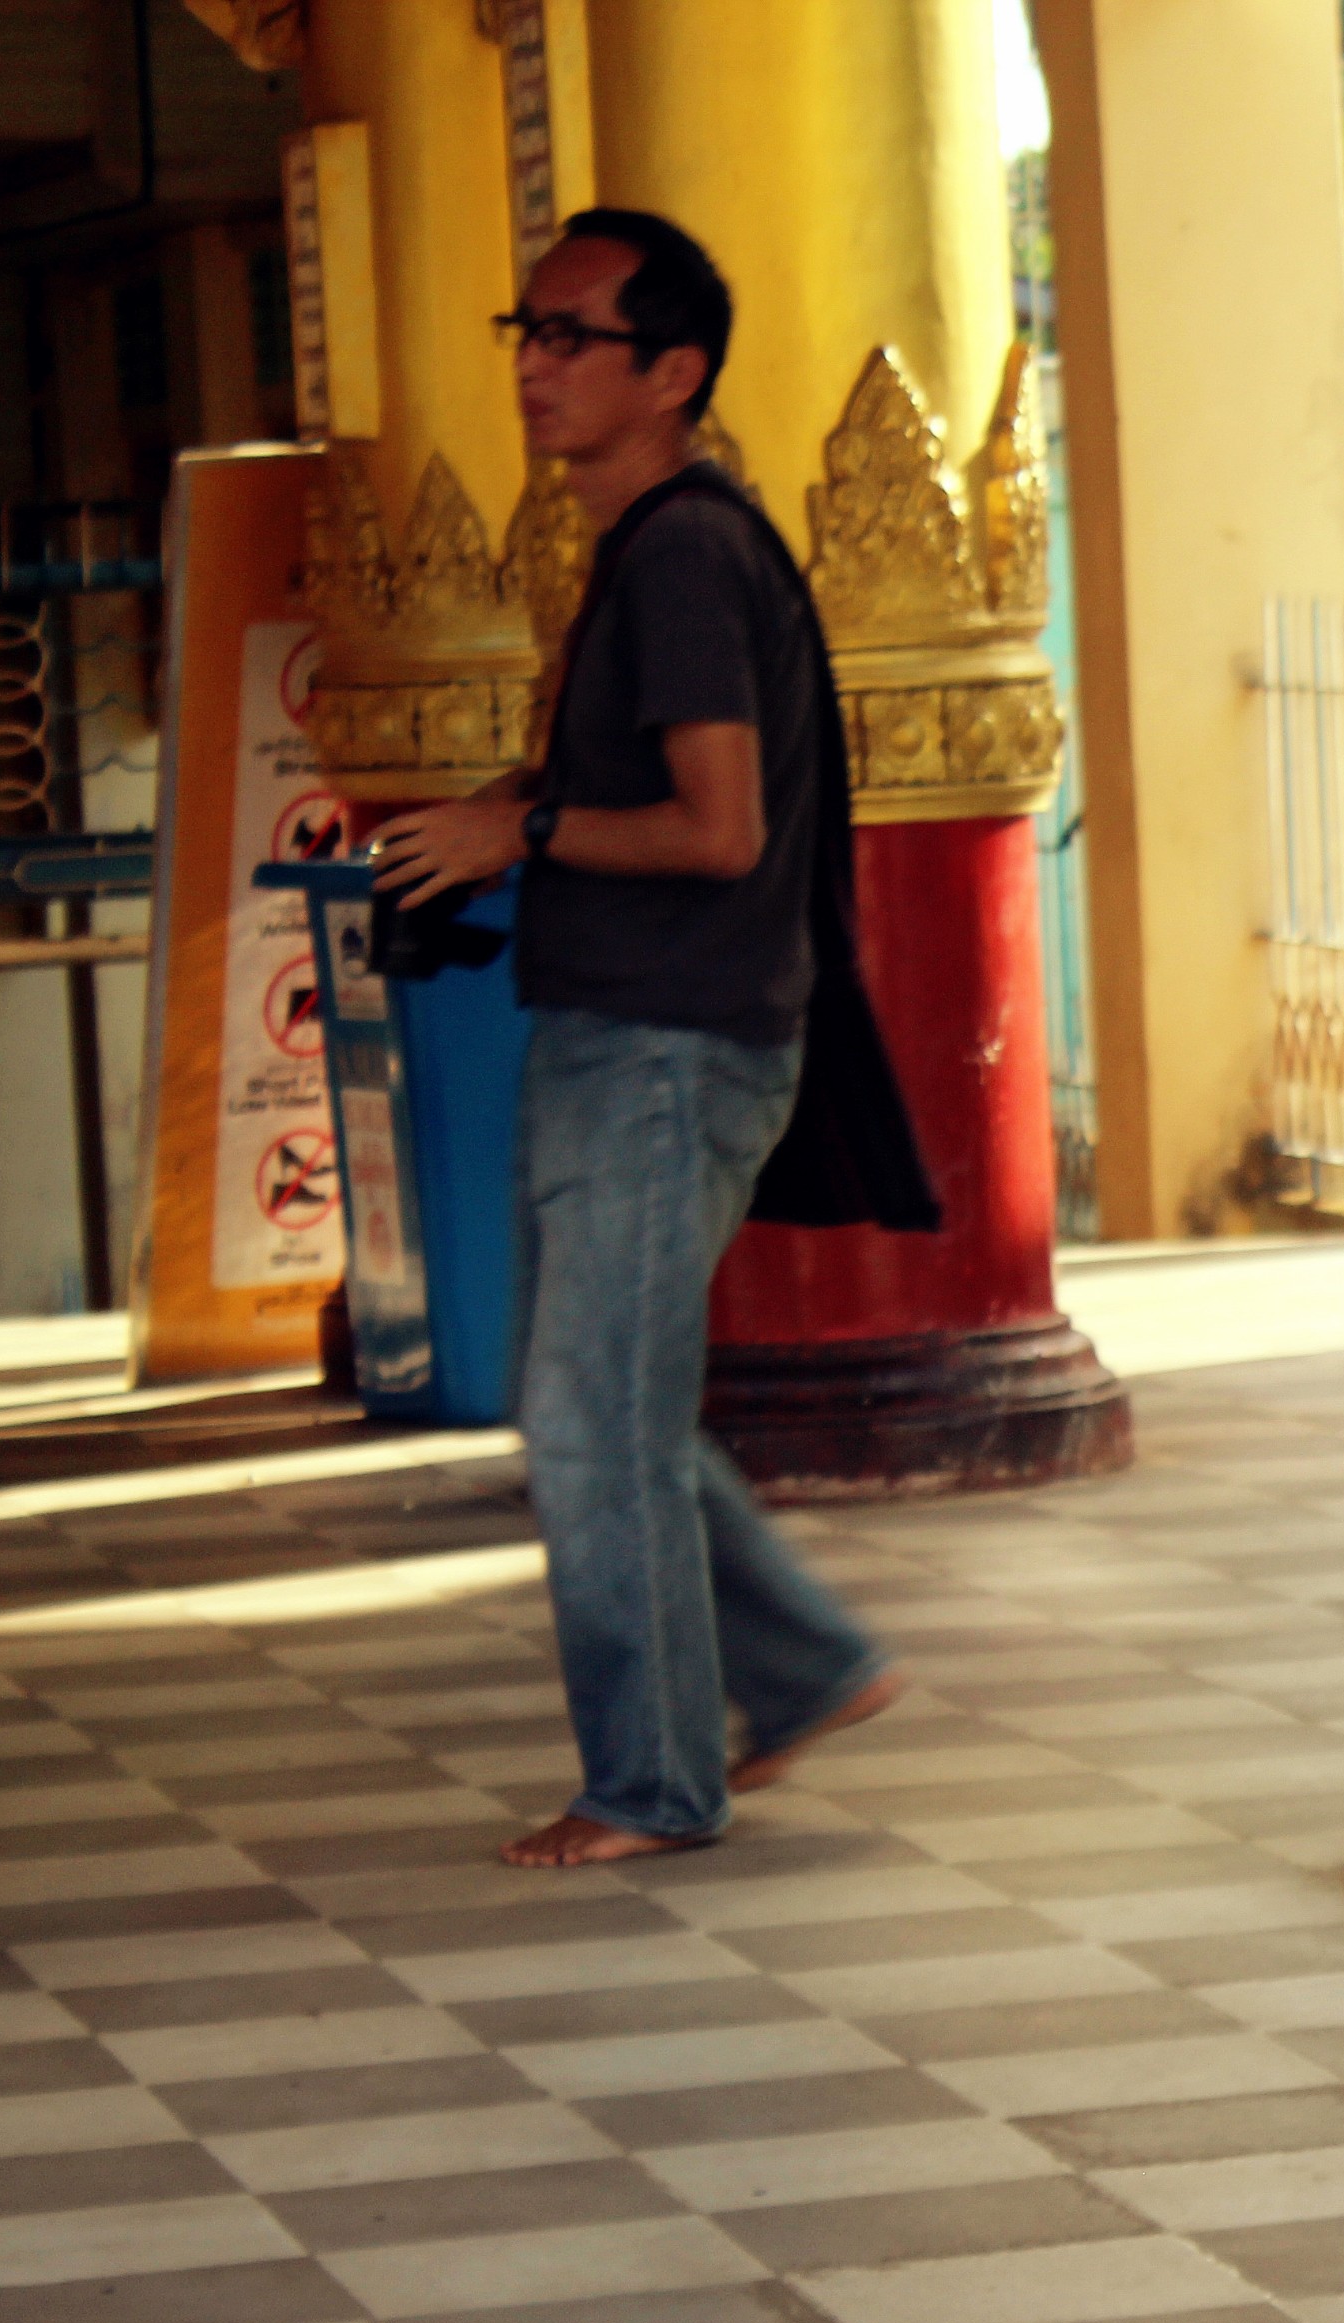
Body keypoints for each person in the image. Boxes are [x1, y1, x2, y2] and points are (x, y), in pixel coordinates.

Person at [369, 209, 935, 1870]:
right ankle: (808, 1667)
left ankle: (652, 1781)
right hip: (623, 1031)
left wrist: (516, 835)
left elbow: (714, 827)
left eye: (572, 339)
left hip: (667, 1045)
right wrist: (510, 808)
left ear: (671, 373)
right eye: (523, 334)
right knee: (604, 1404)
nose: (535, 366)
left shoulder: (686, 552)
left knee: (592, 1417)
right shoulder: (652, 546)